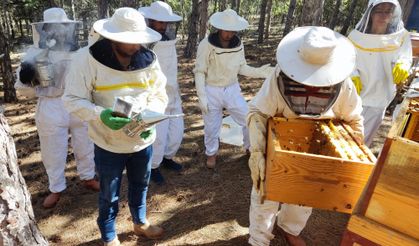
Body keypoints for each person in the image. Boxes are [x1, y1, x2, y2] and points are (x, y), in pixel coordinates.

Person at [247, 26, 364, 246]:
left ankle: (289, 229)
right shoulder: (278, 79)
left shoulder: (344, 85)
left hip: (314, 146)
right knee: (265, 195)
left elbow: (354, 118)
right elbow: (259, 112)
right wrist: (257, 151)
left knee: (305, 194)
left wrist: (352, 155)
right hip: (277, 145)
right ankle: (258, 239)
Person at [62, 8, 167, 246]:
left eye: (138, 40)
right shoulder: (85, 59)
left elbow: (159, 92)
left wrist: (152, 117)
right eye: (129, 41)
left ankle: (140, 223)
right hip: (108, 142)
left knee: (141, 184)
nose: (136, 47)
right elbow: (71, 99)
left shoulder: (149, 58)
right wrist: (101, 115)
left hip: (142, 139)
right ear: (112, 37)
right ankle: (109, 235)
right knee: (110, 193)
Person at [14, 7, 99, 209]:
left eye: (62, 27)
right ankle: (56, 188)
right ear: (44, 29)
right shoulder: (34, 54)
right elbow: (21, 89)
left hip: (79, 102)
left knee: (86, 144)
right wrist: (26, 78)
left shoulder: (81, 52)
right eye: (53, 28)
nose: (58, 31)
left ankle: (88, 177)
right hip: (51, 106)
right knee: (53, 150)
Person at [193, 9, 273, 168]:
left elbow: (241, 67)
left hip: (232, 88)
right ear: (219, 28)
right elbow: (200, 71)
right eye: (226, 30)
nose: (229, 34)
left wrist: (259, 72)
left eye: (232, 30)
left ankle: (250, 148)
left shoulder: (238, 44)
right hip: (211, 89)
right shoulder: (206, 44)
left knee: (248, 118)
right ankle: (211, 154)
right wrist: (201, 95)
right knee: (211, 125)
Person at [348, 0, 412, 146]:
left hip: (380, 96)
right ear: (370, 13)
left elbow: (405, 55)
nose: (383, 15)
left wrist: (403, 64)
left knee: (361, 143)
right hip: (355, 94)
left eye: (388, 11)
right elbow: (347, 57)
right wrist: (352, 76)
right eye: (379, 10)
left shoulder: (401, 37)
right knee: (342, 134)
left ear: (393, 15)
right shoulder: (355, 36)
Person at [139, 1, 184, 185]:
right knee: (157, 135)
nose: (163, 26)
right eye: (159, 22)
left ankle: (167, 158)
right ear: (150, 20)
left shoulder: (168, 40)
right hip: (156, 96)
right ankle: (153, 166)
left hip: (173, 92)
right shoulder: (143, 42)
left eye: (166, 22)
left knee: (176, 133)